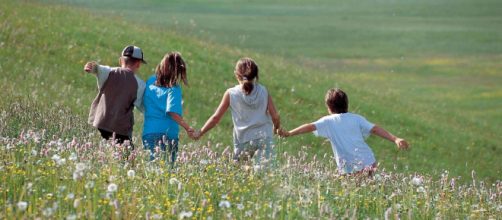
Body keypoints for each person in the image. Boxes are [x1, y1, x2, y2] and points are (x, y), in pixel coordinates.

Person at [278, 88, 409, 175]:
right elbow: (374, 129)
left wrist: (289, 133)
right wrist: (395, 139)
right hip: (368, 161)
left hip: (348, 168)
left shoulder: (328, 121)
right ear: (347, 104)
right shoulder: (357, 118)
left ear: (329, 107)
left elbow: (309, 126)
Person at [195, 57, 281, 165]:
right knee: (264, 174)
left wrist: (201, 132)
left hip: (243, 140)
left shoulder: (231, 93)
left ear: (236, 74)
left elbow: (215, 118)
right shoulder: (264, 91)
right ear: (256, 75)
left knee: (241, 173)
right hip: (264, 138)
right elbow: (275, 116)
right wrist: (276, 128)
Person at [84, 45, 146, 144]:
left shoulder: (109, 72)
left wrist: (91, 67)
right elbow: (142, 107)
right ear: (138, 64)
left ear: (120, 60)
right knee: (126, 156)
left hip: (100, 122)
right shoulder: (140, 84)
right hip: (120, 128)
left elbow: (98, 68)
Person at [142, 52, 195, 166]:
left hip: (149, 132)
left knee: (151, 168)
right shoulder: (173, 88)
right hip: (167, 134)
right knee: (166, 170)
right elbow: (172, 112)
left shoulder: (150, 81)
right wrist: (187, 128)